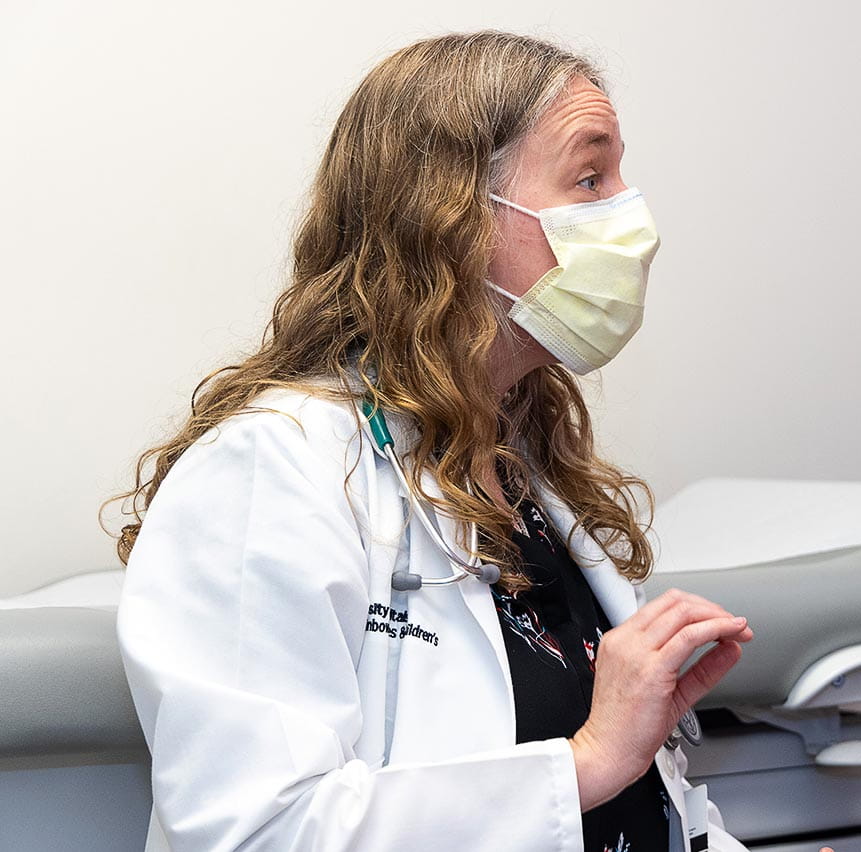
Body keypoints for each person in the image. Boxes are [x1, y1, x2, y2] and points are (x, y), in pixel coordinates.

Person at [111, 31, 808, 852]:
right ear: (448, 214)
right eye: (590, 177)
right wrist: (586, 762)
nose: (632, 217)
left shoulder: (520, 468)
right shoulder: (276, 466)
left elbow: (651, 811)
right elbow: (252, 831)